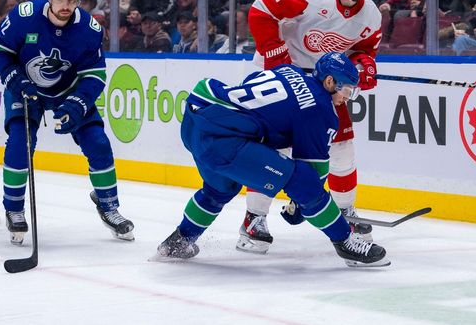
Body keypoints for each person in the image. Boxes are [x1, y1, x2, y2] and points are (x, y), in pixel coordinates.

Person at [156, 52, 389, 267]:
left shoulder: (290, 70)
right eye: (347, 90)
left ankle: (178, 241)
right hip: (222, 140)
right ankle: (346, 242)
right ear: (329, 82)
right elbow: (313, 173)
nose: (347, 98)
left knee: (219, 188)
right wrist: (302, 204)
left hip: (197, 116)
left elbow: (254, 82)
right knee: (303, 181)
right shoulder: (321, 110)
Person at [239, 0, 383, 254]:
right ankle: (254, 218)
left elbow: (363, 49)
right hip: (282, 75)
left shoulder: (371, 14)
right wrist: (276, 53)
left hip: (325, 83)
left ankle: (345, 214)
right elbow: (260, 10)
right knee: (274, 148)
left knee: (343, 147)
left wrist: (364, 65)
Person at [0, 0, 135, 245]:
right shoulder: (24, 16)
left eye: (72, 0)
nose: (66, 6)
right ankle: (14, 208)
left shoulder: (89, 30)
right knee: (19, 143)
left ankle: (108, 205)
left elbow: (94, 75)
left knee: (98, 142)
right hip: (26, 89)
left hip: (68, 89)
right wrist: (16, 79)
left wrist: (77, 104)